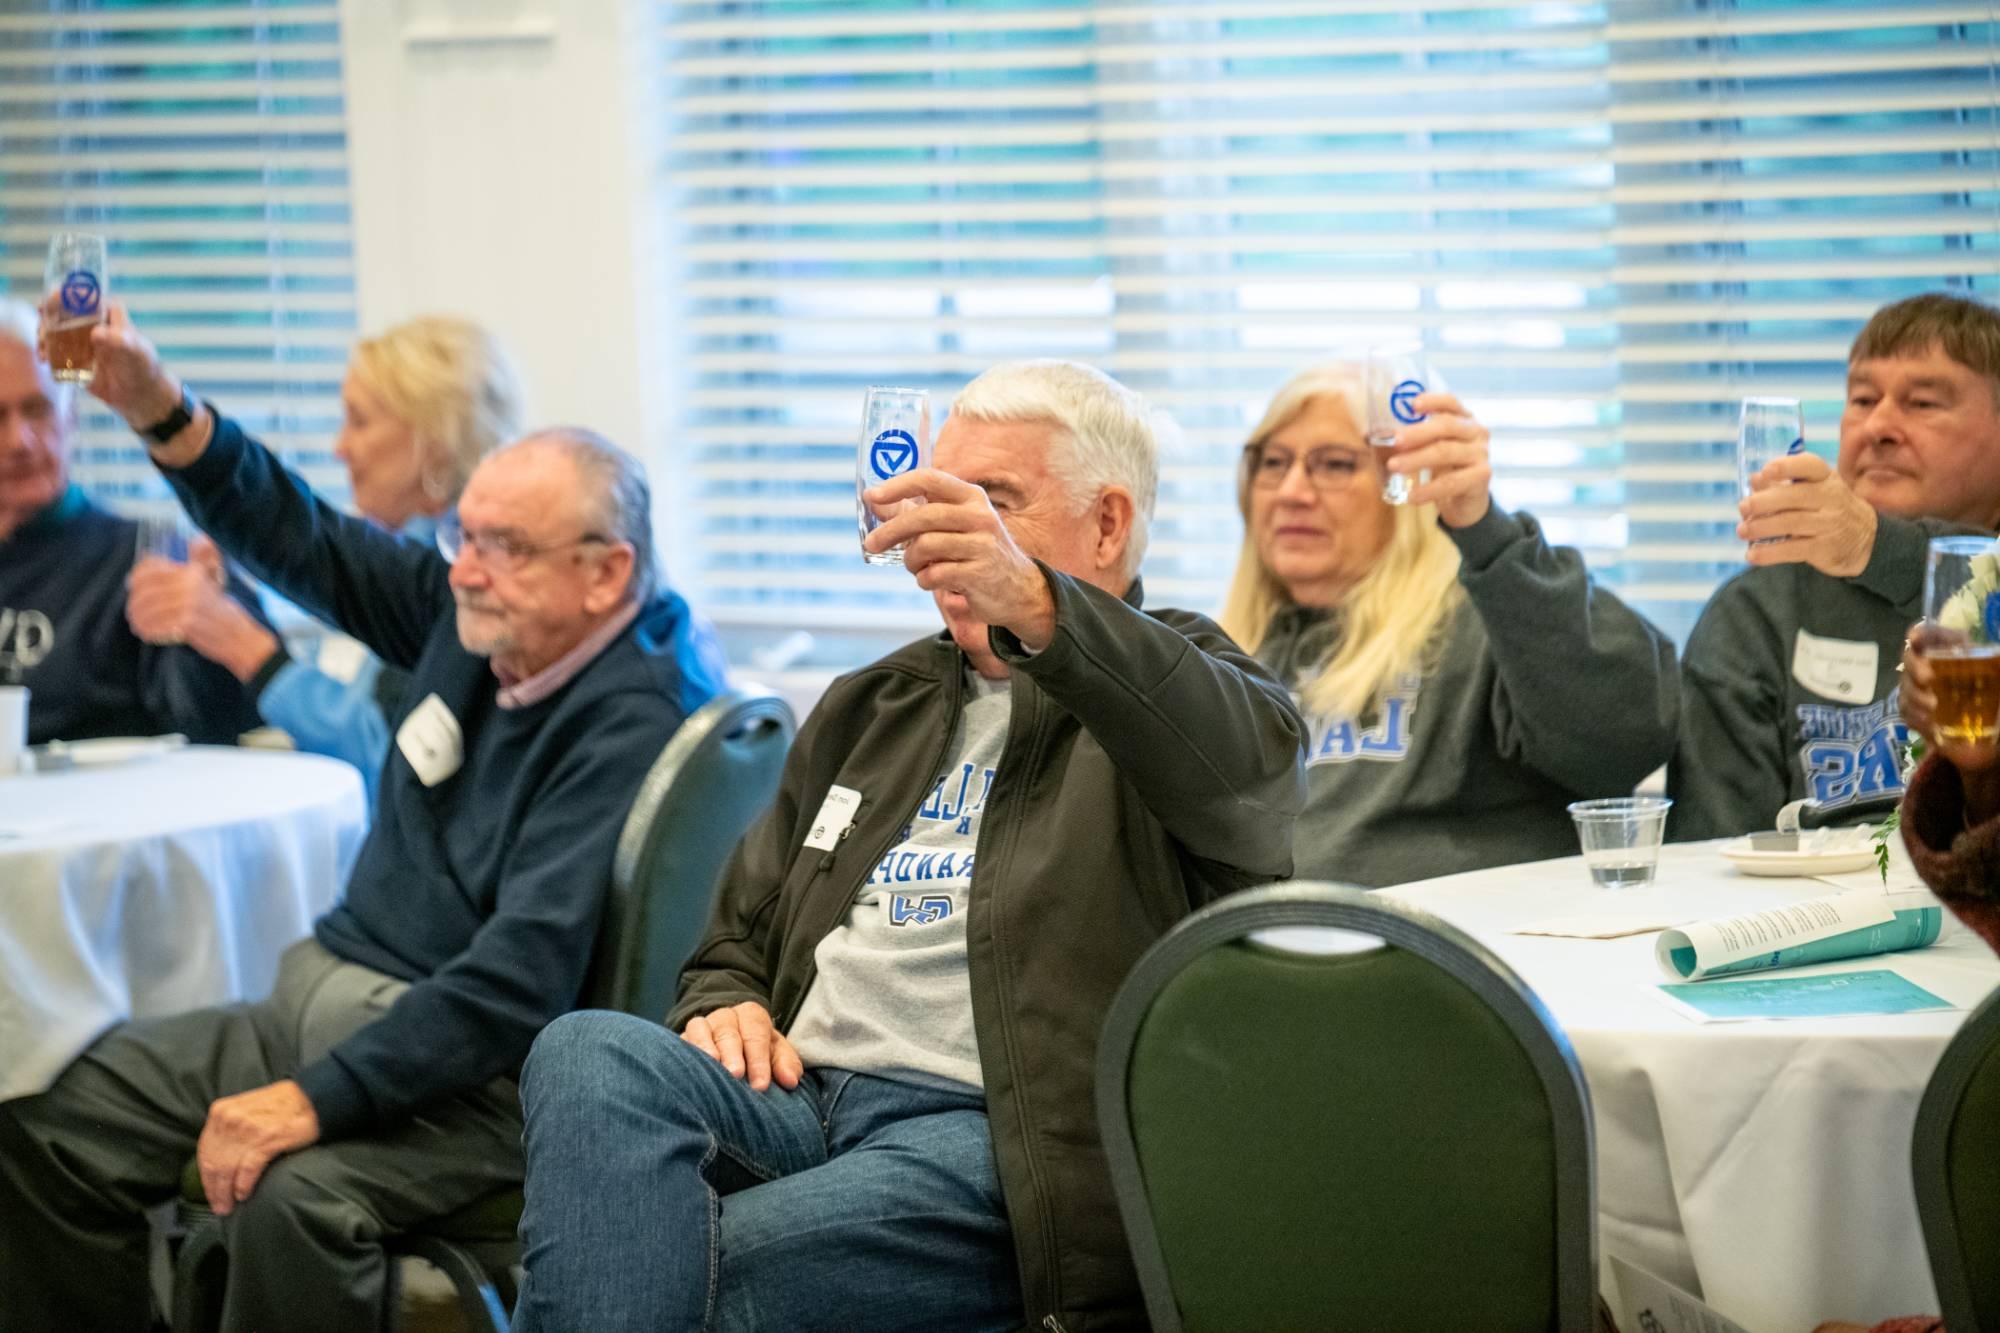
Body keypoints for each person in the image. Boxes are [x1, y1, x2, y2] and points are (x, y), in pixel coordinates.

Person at [509, 360, 1305, 1332]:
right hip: (797, 1100)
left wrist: (1038, 608)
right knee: (586, 1050)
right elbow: (733, 935)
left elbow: (1250, 783)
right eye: (941, 494)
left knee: (638, 1262)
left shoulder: (1178, 678)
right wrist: (725, 1002)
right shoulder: (874, 702)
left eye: (992, 502)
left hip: (989, 1137)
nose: (944, 535)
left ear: (1105, 524)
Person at [0, 303, 724, 1332]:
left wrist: (313, 1099)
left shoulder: (634, 717)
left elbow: (517, 984)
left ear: (604, 572)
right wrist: (157, 407)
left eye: (504, 546)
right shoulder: (478, 615)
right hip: (320, 1013)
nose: (463, 568)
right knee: (45, 1123)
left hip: (471, 1073)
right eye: (462, 536)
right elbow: (306, 536)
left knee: (282, 1200)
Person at [1217, 362, 1678, 888]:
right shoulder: (1230, 659)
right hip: (1249, 953)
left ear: (1403, 485)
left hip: (1435, 954)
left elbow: (1622, 739)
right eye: (1273, 463)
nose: (1291, 491)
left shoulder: (1491, 617)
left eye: (1336, 465)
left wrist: (1485, 531)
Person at [1670, 293, 2000, 841]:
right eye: (1862, 399)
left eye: (1922, 403)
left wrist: (1871, 544)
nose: (1879, 426)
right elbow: (1716, 858)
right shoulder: (1757, 611)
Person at [165, 316, 524, 801]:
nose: (339, 449)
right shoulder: (407, 553)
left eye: (358, 421)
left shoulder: (461, 576)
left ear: (433, 445)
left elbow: (393, 757)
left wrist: (245, 647)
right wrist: (235, 608)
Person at [0, 296, 266, 745]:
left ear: (71, 418)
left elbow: (220, 721)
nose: (19, 440)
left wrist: (208, 620)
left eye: (37, 410)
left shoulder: (148, 558)